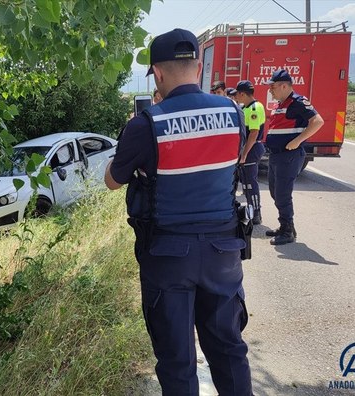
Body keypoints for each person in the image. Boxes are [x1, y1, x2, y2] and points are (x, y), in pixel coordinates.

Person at [105, 28, 252, 396]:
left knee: (176, 359)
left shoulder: (146, 124)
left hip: (168, 255)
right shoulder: (233, 112)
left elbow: (111, 180)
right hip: (223, 252)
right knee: (229, 349)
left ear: (157, 73)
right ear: (199, 66)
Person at [264, 69, 324, 245]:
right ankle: (285, 226)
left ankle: (287, 231)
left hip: (288, 156)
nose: (270, 90)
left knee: (282, 194)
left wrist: (298, 141)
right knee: (276, 192)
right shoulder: (281, 104)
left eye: (273, 87)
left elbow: (318, 121)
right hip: (276, 156)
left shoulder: (298, 102)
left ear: (284, 85)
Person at [235, 80, 265, 224]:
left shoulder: (254, 108)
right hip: (248, 149)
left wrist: (244, 154)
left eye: (237, 95)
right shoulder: (246, 107)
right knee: (246, 182)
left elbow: (253, 133)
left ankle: (256, 213)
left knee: (250, 183)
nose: (236, 98)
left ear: (242, 94)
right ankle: (251, 211)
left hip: (252, 149)